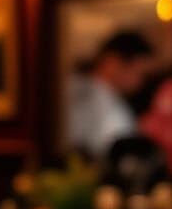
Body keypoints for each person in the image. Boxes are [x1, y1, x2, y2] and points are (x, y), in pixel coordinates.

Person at [66, 30, 157, 160]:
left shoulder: (71, 86)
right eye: (141, 74)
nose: (141, 83)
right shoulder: (70, 88)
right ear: (113, 62)